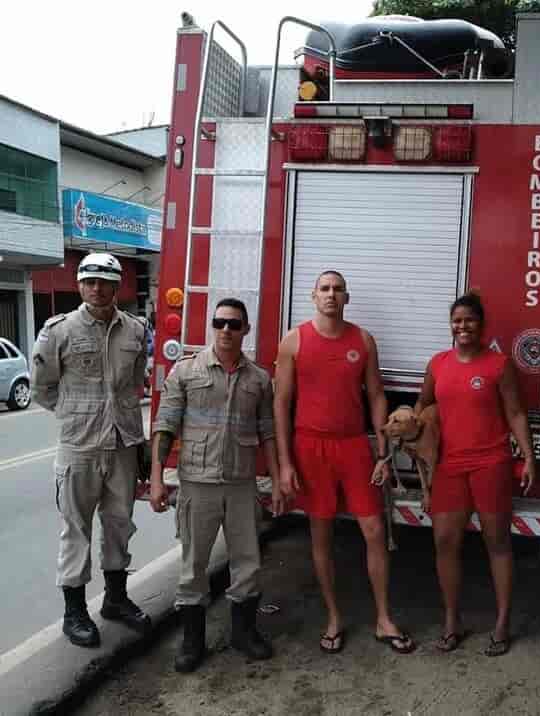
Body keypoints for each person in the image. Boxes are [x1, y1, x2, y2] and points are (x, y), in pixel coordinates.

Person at [274, 270, 415, 655]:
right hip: (310, 447)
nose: (331, 295)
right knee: (321, 534)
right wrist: (286, 464)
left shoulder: (362, 340)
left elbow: (376, 398)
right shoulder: (294, 341)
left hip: (354, 447)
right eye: (324, 288)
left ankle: (384, 619)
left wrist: (384, 452)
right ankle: (334, 617)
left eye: (337, 289)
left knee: (373, 529)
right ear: (312, 295)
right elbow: (281, 405)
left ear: (346, 298)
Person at [149, 298, 282, 672]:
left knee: (248, 563)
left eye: (234, 324)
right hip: (197, 484)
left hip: (241, 485)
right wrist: (158, 479)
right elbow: (164, 425)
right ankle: (193, 642)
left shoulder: (259, 379)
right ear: (212, 326)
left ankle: (243, 633)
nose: (226, 329)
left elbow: (268, 433)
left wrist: (275, 478)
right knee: (194, 566)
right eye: (220, 322)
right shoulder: (185, 372)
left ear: (246, 330)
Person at [31, 252, 152, 648]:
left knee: (119, 524)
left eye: (104, 281)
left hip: (122, 444)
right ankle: (75, 611)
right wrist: (75, 416)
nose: (96, 288)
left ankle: (116, 599)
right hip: (79, 447)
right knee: (76, 529)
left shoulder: (135, 330)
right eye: (89, 281)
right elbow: (41, 389)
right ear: (80, 285)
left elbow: (136, 387)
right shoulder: (58, 331)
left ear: (118, 287)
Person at [415, 292, 535, 656]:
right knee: (444, 542)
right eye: (456, 320)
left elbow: (515, 413)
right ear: (450, 326)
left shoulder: (499, 365)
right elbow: (423, 405)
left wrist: (528, 456)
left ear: (481, 325)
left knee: (497, 543)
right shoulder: (437, 364)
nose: (462, 326)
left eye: (469, 320)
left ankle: (501, 624)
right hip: (449, 466)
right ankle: (452, 622)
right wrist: (414, 428)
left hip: (491, 464)